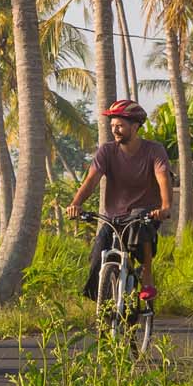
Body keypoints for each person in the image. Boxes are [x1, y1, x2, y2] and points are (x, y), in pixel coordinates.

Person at [64, 98, 172, 301]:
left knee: (140, 222)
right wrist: (76, 204)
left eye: (120, 126)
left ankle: (147, 277)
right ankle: (104, 304)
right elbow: (91, 180)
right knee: (98, 256)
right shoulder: (107, 151)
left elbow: (163, 178)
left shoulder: (154, 150)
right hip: (114, 217)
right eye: (113, 125)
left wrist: (165, 207)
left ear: (135, 127)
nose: (115, 130)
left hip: (146, 214)